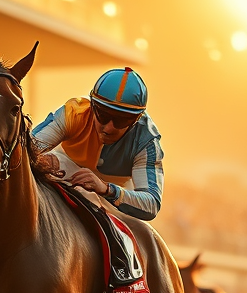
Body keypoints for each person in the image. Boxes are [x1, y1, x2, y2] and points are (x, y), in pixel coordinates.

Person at [31, 67, 164, 221]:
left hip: (114, 194)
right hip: (64, 167)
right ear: (92, 106)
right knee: (50, 161)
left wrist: (107, 189)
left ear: (135, 120)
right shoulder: (73, 113)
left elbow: (152, 203)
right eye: (103, 114)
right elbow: (24, 149)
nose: (108, 128)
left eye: (121, 120)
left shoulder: (146, 141)